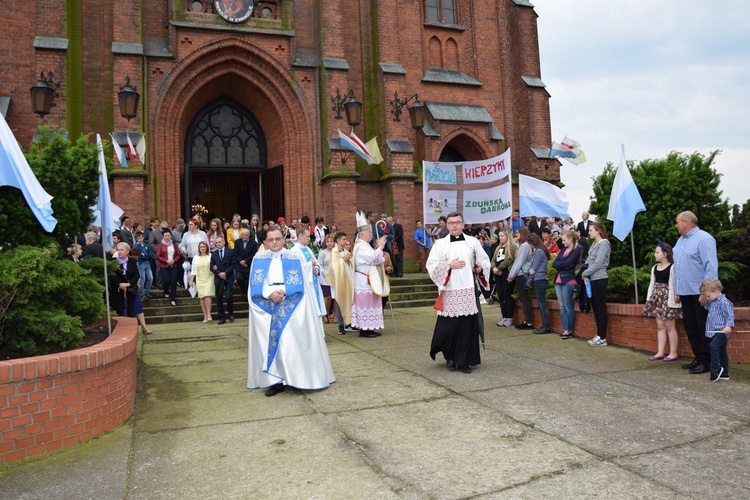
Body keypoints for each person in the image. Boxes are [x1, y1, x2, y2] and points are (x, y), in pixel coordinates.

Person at [246, 227, 336, 397]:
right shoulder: (258, 259)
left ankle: (295, 377)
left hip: (292, 304)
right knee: (271, 343)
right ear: (265, 242)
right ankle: (275, 381)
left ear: (284, 239)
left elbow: (300, 283)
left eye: (277, 239)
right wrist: (269, 294)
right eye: (270, 239)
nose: (274, 242)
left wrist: (284, 294)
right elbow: (255, 284)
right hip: (267, 306)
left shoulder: (293, 258)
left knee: (291, 343)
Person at [427, 211, 490, 373]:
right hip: (450, 290)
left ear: (463, 224)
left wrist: (480, 268)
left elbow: (484, 260)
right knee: (451, 328)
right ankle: (451, 358)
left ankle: (464, 361)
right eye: (451, 223)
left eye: (457, 222)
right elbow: (431, 265)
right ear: (447, 225)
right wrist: (449, 265)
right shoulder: (440, 244)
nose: (454, 225)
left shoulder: (473, 242)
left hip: (468, 290)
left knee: (467, 327)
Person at [673, 211, 718, 374]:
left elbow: (711, 266)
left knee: (702, 326)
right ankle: (698, 357)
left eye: (677, 222)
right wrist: (677, 290)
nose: (676, 225)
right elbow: (678, 268)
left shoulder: (704, 239)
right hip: (685, 292)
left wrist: (707, 292)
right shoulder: (680, 241)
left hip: (700, 294)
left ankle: (707, 361)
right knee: (690, 326)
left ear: (686, 222)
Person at [643, 241, 682, 360]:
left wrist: (677, 294)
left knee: (670, 325)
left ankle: (673, 353)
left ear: (665, 254)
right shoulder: (655, 268)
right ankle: (660, 352)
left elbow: (676, 282)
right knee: (660, 325)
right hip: (657, 298)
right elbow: (652, 284)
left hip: (668, 298)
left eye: (657, 252)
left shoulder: (673, 267)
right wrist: (649, 299)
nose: (655, 254)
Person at [351, 212, 387, 337]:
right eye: (368, 233)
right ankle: (364, 330)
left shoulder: (366, 246)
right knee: (365, 305)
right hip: (363, 281)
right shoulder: (360, 247)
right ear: (361, 235)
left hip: (370, 280)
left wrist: (378, 250)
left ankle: (370, 327)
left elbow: (379, 260)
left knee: (371, 304)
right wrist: (380, 248)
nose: (370, 234)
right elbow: (373, 258)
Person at [582, 221, 611, 347]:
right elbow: (588, 260)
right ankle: (599, 335)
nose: (589, 232)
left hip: (599, 278)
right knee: (595, 307)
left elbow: (598, 263)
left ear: (598, 231)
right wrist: (584, 272)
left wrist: (585, 273)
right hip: (592, 279)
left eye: (591, 230)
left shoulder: (604, 244)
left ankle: (602, 337)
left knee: (600, 307)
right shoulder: (594, 244)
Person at [700, 278, 733, 382]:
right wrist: (704, 302)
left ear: (716, 292)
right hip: (714, 331)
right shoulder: (712, 301)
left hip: (722, 331)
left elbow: (730, 316)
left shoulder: (724, 302)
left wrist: (728, 326)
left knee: (713, 346)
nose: (708, 298)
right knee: (722, 352)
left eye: (708, 296)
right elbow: (707, 308)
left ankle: (715, 369)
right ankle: (724, 373)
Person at [291, 226, 327, 319]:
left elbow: (316, 262)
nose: (309, 238)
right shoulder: (294, 251)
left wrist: (316, 268)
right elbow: (295, 270)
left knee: (316, 309)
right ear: (300, 236)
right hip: (305, 285)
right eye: (307, 236)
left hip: (313, 281)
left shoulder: (308, 249)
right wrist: (310, 264)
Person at [552, 230, 582, 339]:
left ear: (570, 239)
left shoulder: (576, 250)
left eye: (564, 240)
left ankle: (569, 330)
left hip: (568, 280)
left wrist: (561, 264)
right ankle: (565, 329)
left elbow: (568, 263)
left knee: (568, 306)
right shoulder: (563, 250)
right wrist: (562, 265)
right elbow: (555, 263)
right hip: (558, 280)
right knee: (561, 306)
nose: (563, 242)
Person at [328, 231, 355, 335]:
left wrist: (349, 260)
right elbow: (334, 267)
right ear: (338, 241)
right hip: (338, 281)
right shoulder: (334, 252)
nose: (345, 241)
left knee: (348, 300)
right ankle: (340, 325)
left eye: (346, 239)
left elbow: (351, 264)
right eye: (343, 239)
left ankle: (349, 323)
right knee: (339, 302)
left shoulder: (346, 251)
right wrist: (344, 259)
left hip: (347, 279)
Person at [507, 227, 534, 330]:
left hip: (522, 275)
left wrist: (511, 275)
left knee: (524, 298)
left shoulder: (525, 246)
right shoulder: (522, 246)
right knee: (523, 298)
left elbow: (519, 262)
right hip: (520, 274)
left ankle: (528, 322)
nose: (516, 234)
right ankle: (526, 320)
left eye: (518, 233)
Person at [526, 233, 551, 334]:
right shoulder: (541, 250)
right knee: (541, 304)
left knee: (542, 304)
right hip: (541, 279)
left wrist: (530, 272)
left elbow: (534, 269)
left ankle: (546, 326)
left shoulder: (539, 251)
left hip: (539, 279)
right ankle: (545, 325)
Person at [492, 228, 516, 327]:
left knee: (507, 294)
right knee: (501, 295)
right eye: (500, 236)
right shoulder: (498, 247)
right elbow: (493, 259)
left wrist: (499, 268)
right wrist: (494, 268)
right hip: (498, 274)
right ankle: (504, 316)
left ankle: (510, 317)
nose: (500, 238)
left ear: (507, 236)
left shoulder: (512, 247)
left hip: (506, 273)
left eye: (502, 236)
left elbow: (509, 259)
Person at [110, 242, 140, 318]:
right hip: (117, 289)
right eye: (118, 250)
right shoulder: (112, 261)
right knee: (118, 309)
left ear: (127, 251)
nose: (119, 251)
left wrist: (128, 284)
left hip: (130, 288)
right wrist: (120, 284)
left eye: (122, 250)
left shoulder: (132, 261)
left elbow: (136, 275)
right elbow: (112, 275)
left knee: (130, 309)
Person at [210, 236, 235, 325]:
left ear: (223, 242)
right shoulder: (214, 254)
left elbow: (233, 264)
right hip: (218, 277)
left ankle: (231, 313)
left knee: (228, 296)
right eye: (216, 243)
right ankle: (222, 317)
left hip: (228, 277)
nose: (218, 244)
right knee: (219, 297)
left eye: (219, 242)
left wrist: (225, 273)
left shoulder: (230, 252)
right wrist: (219, 273)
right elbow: (212, 266)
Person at [189, 241, 215, 323]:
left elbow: (214, 266)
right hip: (199, 278)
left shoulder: (210, 256)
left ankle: (209, 314)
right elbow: (193, 269)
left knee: (207, 295)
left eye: (204, 246)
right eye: (201, 247)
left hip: (209, 277)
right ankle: (205, 315)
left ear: (206, 247)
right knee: (202, 297)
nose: (202, 248)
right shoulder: (195, 257)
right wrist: (191, 280)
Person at [128, 247, 153, 335]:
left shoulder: (137, 263)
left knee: (138, 308)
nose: (136, 259)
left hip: (134, 288)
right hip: (126, 288)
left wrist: (138, 283)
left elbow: (138, 274)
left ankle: (144, 326)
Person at [156, 229, 180, 307]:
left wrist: (174, 260)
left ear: (171, 236)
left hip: (173, 265)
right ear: (163, 236)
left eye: (168, 236)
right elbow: (158, 256)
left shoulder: (174, 245)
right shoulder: (160, 245)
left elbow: (178, 255)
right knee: (166, 281)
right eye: (165, 236)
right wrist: (166, 261)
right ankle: (166, 291)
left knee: (173, 281)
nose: (167, 237)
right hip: (164, 265)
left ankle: (173, 299)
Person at [234, 228, 258, 300]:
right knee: (238, 278)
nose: (245, 236)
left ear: (249, 235)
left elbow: (254, 254)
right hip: (239, 264)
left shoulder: (253, 243)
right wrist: (240, 261)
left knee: (248, 281)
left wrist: (246, 261)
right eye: (243, 235)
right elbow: (235, 253)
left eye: (246, 235)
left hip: (248, 265)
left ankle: (246, 296)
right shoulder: (237, 242)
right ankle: (243, 289)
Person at [317, 233, 336, 322]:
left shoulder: (336, 251)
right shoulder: (322, 252)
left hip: (336, 276)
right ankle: (326, 314)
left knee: (335, 297)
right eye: (327, 242)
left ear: (334, 242)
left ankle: (336, 315)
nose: (329, 243)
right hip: (325, 277)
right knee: (327, 296)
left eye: (331, 241)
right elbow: (320, 265)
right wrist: (326, 274)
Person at [134, 231, 154, 301]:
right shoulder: (136, 246)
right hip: (140, 264)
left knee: (150, 278)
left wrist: (145, 255)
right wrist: (146, 255)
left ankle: (147, 292)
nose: (140, 239)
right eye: (138, 238)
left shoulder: (146, 245)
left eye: (141, 238)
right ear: (136, 239)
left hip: (147, 263)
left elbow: (151, 253)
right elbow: (139, 256)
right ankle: (141, 294)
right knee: (142, 279)